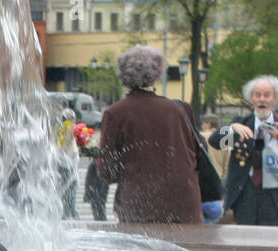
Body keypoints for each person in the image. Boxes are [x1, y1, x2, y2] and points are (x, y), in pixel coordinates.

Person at [96, 46, 201, 223]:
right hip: (185, 207)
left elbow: (108, 171)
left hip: (141, 208)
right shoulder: (181, 109)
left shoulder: (116, 113)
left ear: (123, 77)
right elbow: (197, 153)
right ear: (157, 75)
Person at [207, 74, 278, 226]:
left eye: (267, 95)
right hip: (245, 194)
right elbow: (214, 142)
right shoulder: (241, 125)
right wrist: (231, 129)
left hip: (273, 197)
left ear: (275, 99)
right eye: (257, 95)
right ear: (251, 99)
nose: (262, 100)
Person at [199, 113, 227, 224]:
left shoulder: (200, 136)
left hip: (203, 183)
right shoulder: (225, 137)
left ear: (208, 124)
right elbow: (229, 161)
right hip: (219, 179)